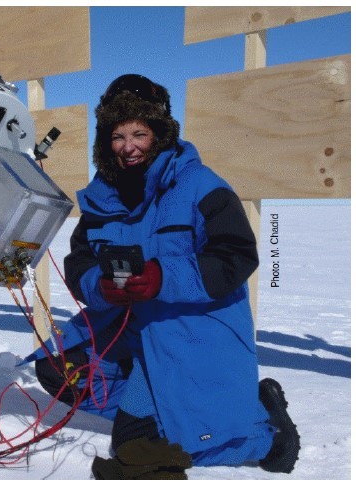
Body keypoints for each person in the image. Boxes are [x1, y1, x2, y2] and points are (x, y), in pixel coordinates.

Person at [27, 74, 300, 479]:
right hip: (127, 329)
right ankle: (177, 411)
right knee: (57, 367)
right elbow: (80, 261)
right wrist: (99, 288)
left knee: (139, 452)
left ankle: (270, 437)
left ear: (160, 133)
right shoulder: (102, 196)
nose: (129, 146)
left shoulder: (201, 186)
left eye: (139, 132)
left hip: (189, 331)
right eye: (118, 136)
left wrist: (163, 277)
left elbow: (236, 255)